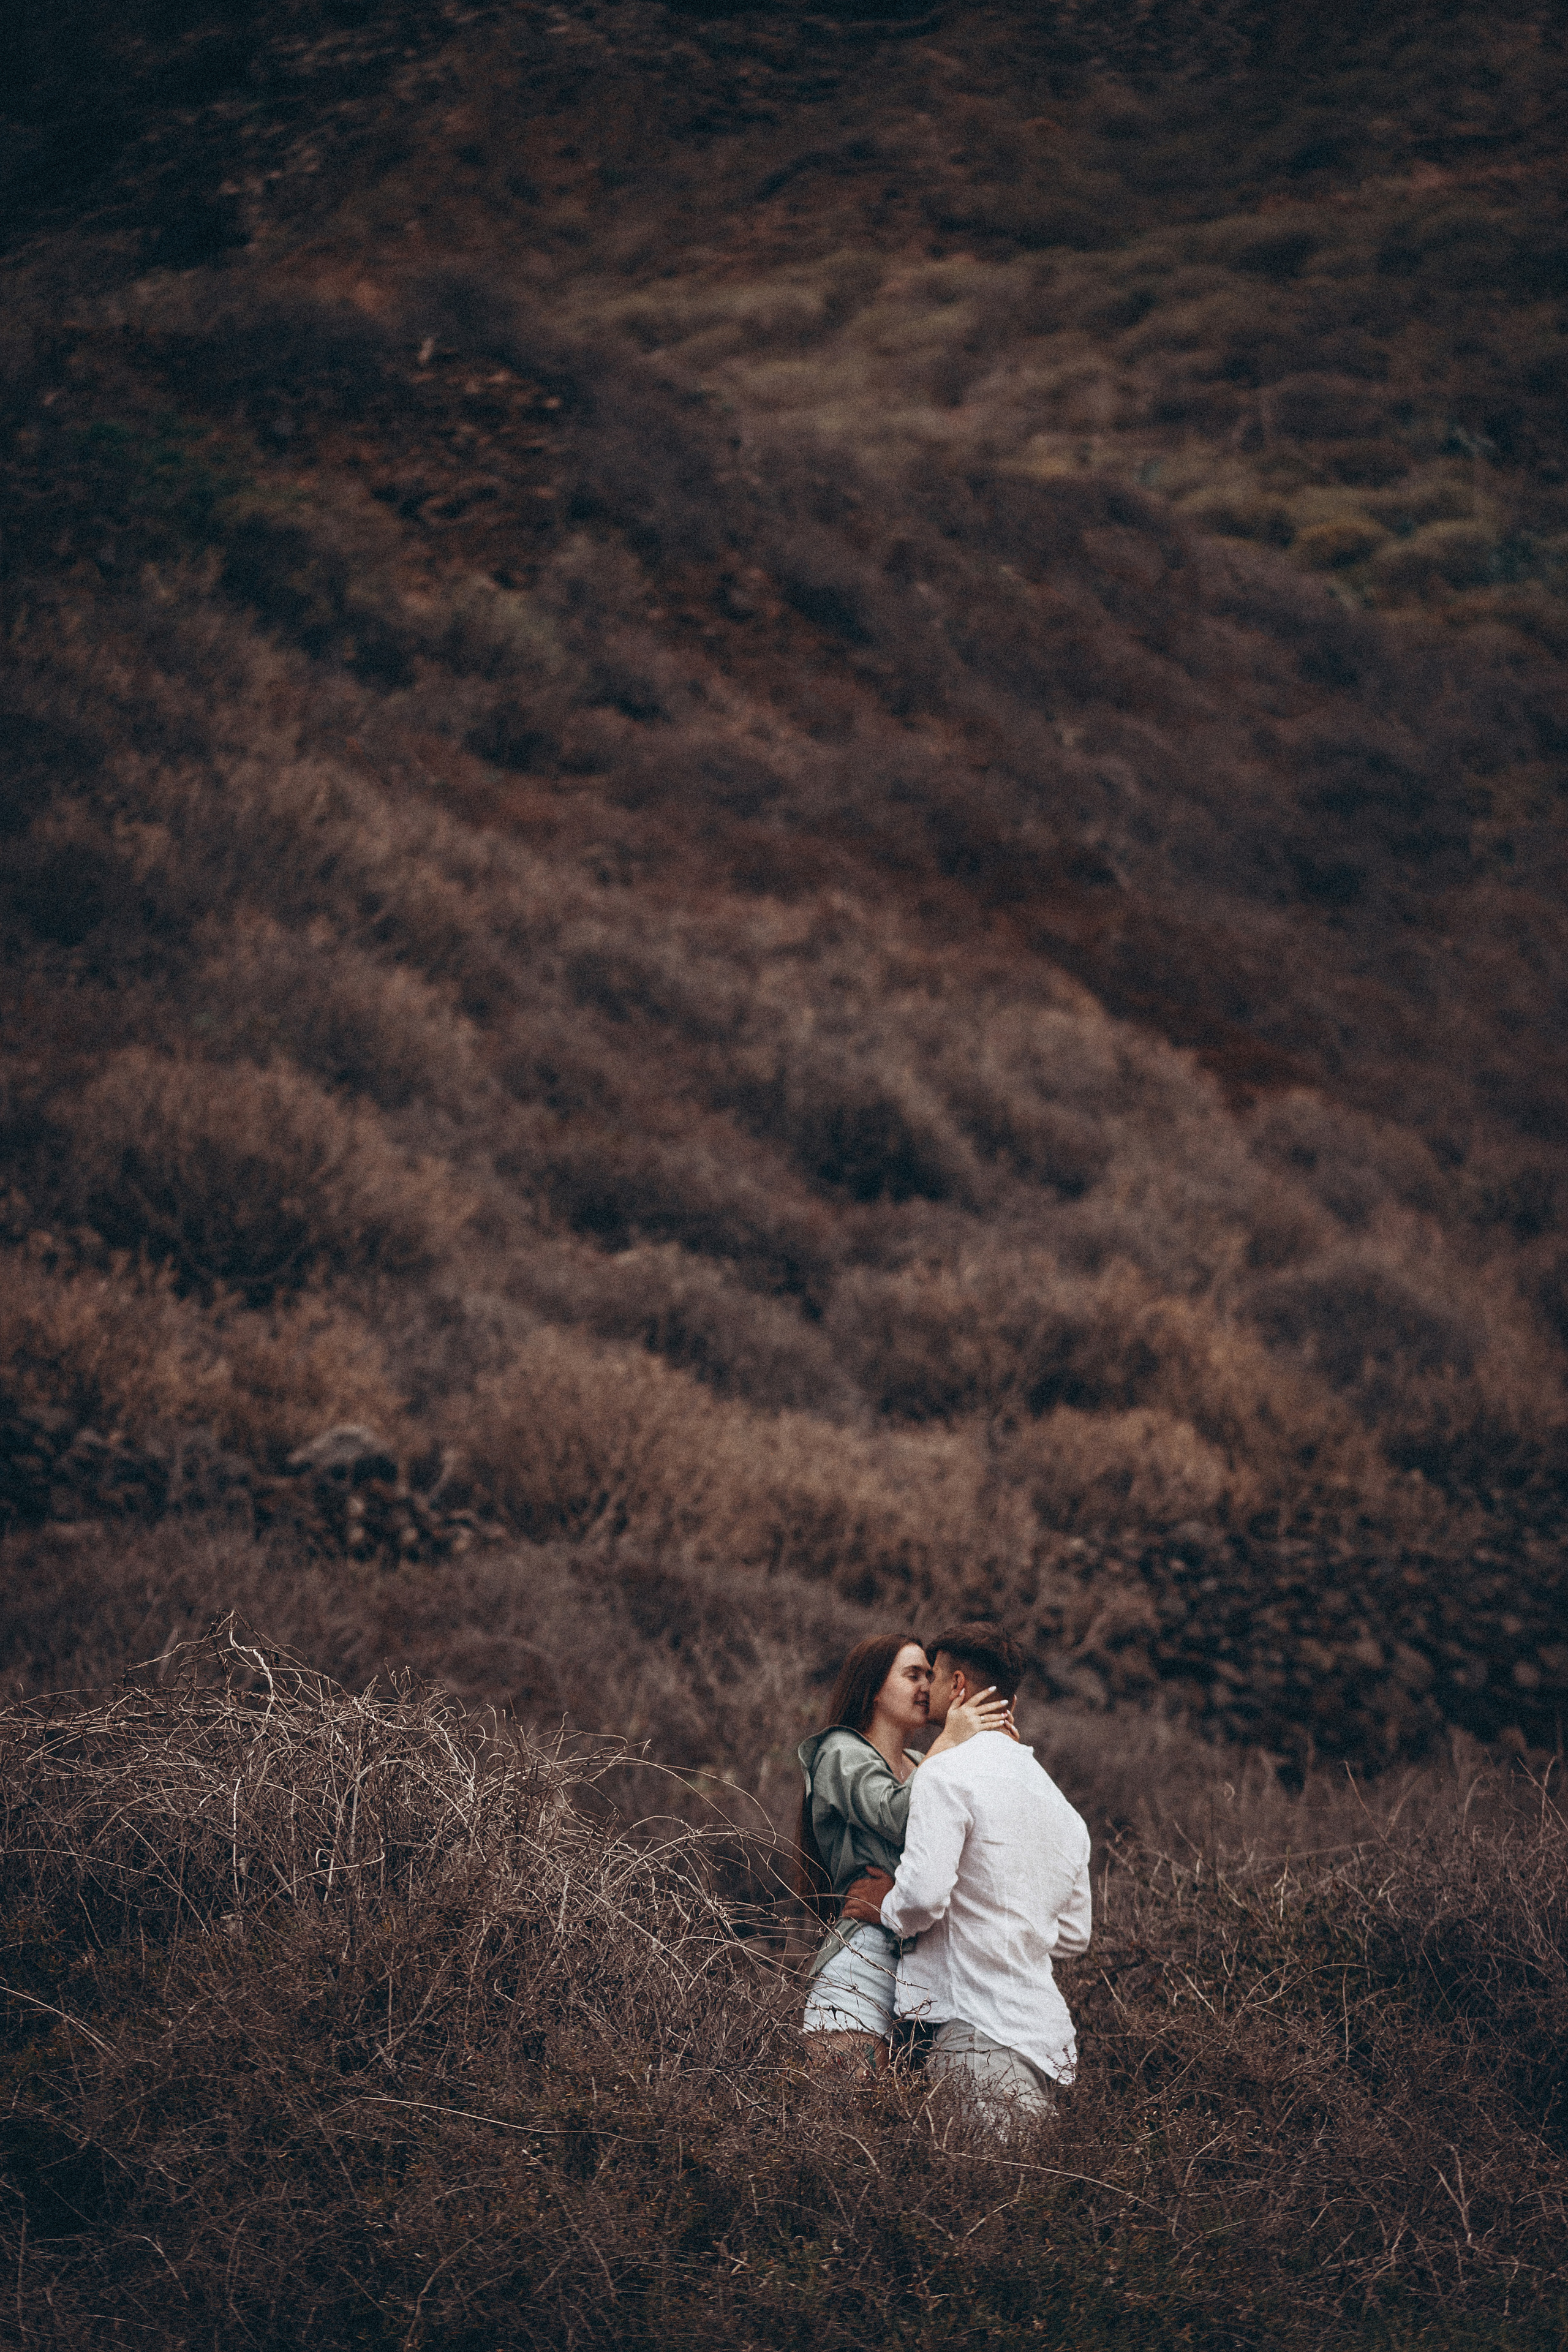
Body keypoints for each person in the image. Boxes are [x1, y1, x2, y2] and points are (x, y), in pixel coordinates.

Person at [841, 1622, 1091, 2125]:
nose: (923, 1689)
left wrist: (881, 1904)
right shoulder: (1064, 1810)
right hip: (1045, 2043)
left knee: (988, 2199)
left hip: (974, 2032)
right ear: (1011, 1706)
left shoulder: (946, 1773)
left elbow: (924, 1899)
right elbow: (1073, 1936)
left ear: (957, 1687)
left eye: (931, 1677)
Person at [796, 1633, 1011, 2070]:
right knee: (842, 2119)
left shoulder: (920, 1760)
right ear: (874, 1688)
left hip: (926, 1970)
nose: (925, 1688)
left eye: (930, 1677)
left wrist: (998, 1749)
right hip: (865, 1959)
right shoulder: (840, 1752)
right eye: (912, 1674)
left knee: (900, 2129)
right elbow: (895, 1815)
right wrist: (950, 1740)